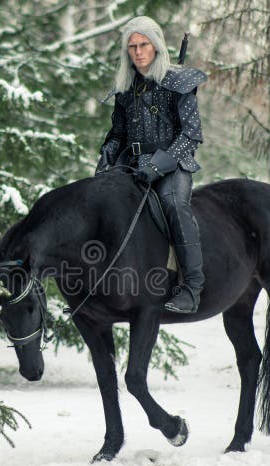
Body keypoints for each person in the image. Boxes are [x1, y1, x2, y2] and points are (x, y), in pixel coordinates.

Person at [96, 16, 206, 314]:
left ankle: (192, 288)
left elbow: (191, 135)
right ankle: (101, 283)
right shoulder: (126, 89)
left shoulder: (179, 82)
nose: (138, 51)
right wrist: (107, 155)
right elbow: (118, 133)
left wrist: (159, 166)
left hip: (173, 163)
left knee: (173, 204)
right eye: (132, 46)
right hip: (130, 164)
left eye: (144, 44)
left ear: (156, 46)